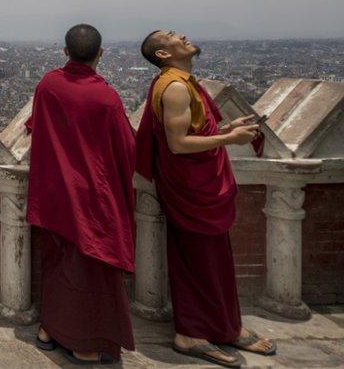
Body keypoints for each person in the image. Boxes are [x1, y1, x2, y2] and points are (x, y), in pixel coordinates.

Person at [136, 29, 276, 368]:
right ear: (163, 55)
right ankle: (192, 334)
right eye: (171, 36)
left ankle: (226, 327)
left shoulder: (182, 83)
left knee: (213, 262)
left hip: (197, 188)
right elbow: (178, 143)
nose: (181, 35)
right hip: (191, 190)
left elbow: (196, 130)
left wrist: (226, 129)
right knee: (199, 263)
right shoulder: (175, 88)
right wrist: (230, 140)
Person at [26, 24, 137, 364]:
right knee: (88, 270)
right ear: (100, 54)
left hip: (54, 192)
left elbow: (38, 124)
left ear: (65, 52)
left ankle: (48, 329)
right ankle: (83, 342)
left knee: (57, 263)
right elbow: (127, 150)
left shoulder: (49, 85)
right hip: (90, 197)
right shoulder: (106, 97)